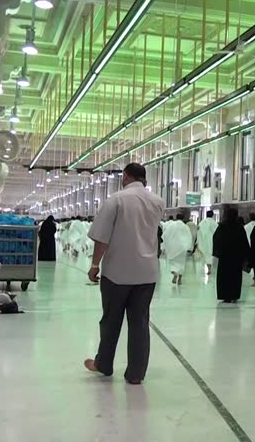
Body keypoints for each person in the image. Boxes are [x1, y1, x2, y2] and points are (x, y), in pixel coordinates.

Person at [84, 163, 165, 385]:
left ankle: (104, 364)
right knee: (139, 323)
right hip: (147, 273)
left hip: (117, 273)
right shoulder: (158, 202)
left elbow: (102, 237)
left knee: (111, 321)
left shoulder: (116, 200)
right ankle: (136, 374)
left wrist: (94, 265)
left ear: (126, 176)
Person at [213, 208, 250, 303]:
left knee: (224, 276)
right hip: (236, 257)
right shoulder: (239, 227)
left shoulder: (222, 226)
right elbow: (244, 242)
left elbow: (216, 239)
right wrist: (246, 255)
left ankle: (225, 295)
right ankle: (234, 295)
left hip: (225, 257)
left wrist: (218, 252)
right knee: (235, 277)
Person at [162, 213, 193, 285]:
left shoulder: (172, 225)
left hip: (173, 247)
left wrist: (165, 246)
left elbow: (165, 235)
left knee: (173, 262)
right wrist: (188, 246)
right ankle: (180, 279)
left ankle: (174, 273)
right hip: (182, 247)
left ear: (176, 218)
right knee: (181, 263)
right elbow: (189, 236)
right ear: (183, 218)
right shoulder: (185, 226)